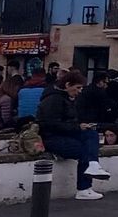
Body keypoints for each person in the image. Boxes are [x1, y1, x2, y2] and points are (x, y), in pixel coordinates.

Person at [36, 70, 110, 201]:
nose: (80, 91)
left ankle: (92, 166)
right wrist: (77, 127)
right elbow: (50, 124)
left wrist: (80, 126)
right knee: (84, 150)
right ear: (67, 85)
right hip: (52, 138)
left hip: (64, 134)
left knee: (91, 134)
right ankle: (84, 186)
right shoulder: (53, 100)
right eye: (78, 88)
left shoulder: (65, 98)